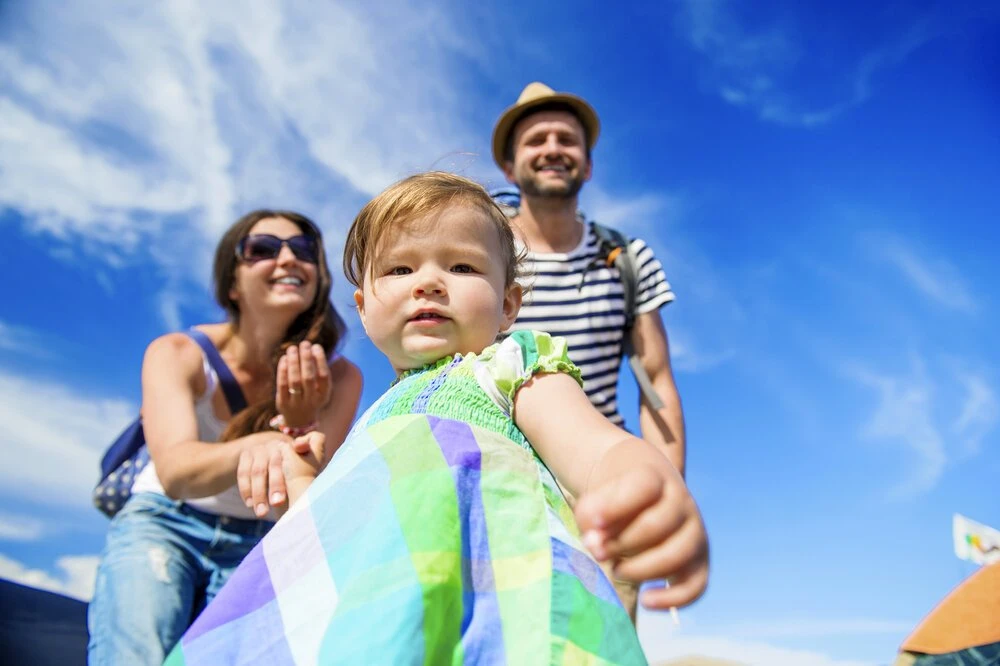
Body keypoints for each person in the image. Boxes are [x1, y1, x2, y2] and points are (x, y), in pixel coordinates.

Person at [164, 172, 708, 665]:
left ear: (508, 304)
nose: (427, 281)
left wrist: (645, 481)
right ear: (363, 305)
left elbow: (596, 448)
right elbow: (334, 528)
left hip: (503, 617)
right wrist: (291, 470)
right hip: (381, 625)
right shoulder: (372, 420)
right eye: (399, 268)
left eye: (463, 266)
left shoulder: (509, 366)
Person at [87, 210, 363, 665]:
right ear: (232, 284)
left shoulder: (340, 378)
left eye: (305, 250)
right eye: (264, 249)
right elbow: (178, 474)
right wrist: (272, 441)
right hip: (165, 521)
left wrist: (300, 425)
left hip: (259, 538)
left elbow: (301, 504)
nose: (288, 259)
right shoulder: (178, 353)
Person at [492, 82, 687, 618]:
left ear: (588, 165)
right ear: (510, 168)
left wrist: (664, 493)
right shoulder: (481, 253)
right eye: (536, 140)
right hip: (494, 480)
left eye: (567, 139)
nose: (553, 148)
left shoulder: (626, 257)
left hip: (600, 489)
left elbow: (657, 382)